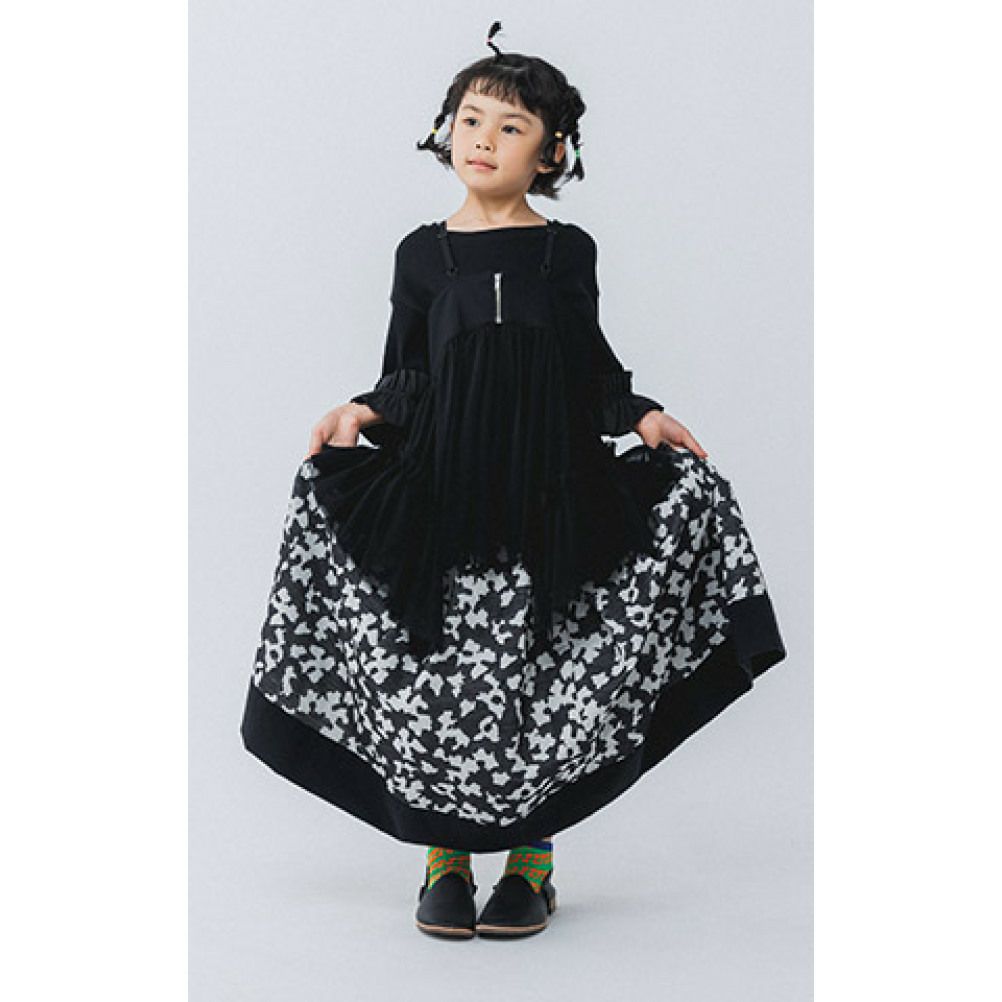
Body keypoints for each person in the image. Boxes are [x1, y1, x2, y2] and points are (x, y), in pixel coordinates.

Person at [239, 21, 788, 941]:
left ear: (551, 153)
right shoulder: (422, 255)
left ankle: (532, 861)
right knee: (442, 676)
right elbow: (407, 373)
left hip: (551, 493)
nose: (483, 138)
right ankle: (444, 859)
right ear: (445, 129)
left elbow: (590, 368)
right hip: (442, 490)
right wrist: (359, 412)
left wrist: (641, 416)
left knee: (536, 676)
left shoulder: (566, 252)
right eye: (470, 118)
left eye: (510, 126)